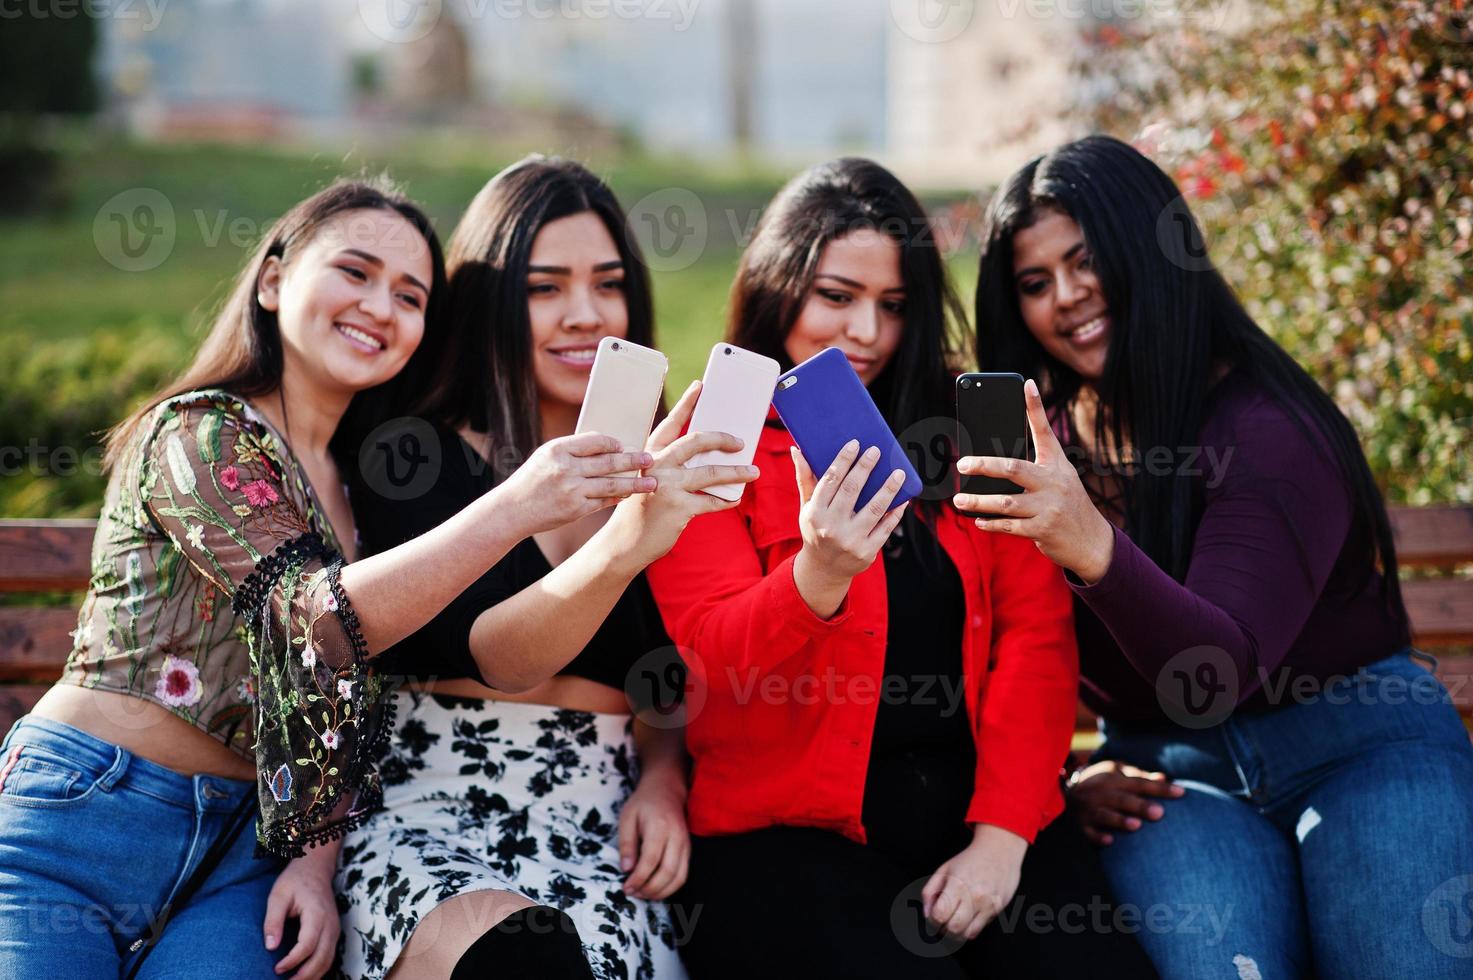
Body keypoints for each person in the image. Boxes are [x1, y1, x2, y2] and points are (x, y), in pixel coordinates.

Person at [0, 177, 655, 979]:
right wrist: (518, 503)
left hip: (241, 856)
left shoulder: (357, 485)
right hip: (91, 814)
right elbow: (310, 622)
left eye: (410, 296)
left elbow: (348, 697)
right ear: (273, 281)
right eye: (355, 272)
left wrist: (314, 863)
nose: (381, 307)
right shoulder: (201, 431)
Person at [962, 134, 1473, 979]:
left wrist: (1087, 540)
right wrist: (1051, 786)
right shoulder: (1032, 443)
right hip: (1170, 777)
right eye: (1033, 282)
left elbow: (1214, 670)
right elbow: (984, 637)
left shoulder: (1267, 428)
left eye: (1087, 260)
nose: (1066, 298)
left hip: (1360, 744)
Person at [645, 157, 1080, 978]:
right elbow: (708, 666)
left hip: (982, 814)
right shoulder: (718, 438)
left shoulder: (959, 430)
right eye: (836, 297)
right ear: (777, 286)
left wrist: (1001, 839)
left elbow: (1035, 637)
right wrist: (817, 575)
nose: (867, 335)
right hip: (786, 839)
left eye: (893, 306)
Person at [339, 156, 755, 980]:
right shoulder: (415, 453)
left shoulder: (661, 462)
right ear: (490, 299)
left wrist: (664, 775)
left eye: (607, 285)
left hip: (607, 824)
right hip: (433, 814)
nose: (584, 316)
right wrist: (620, 541)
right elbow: (504, 658)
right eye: (544, 288)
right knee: (523, 961)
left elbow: (673, 672)